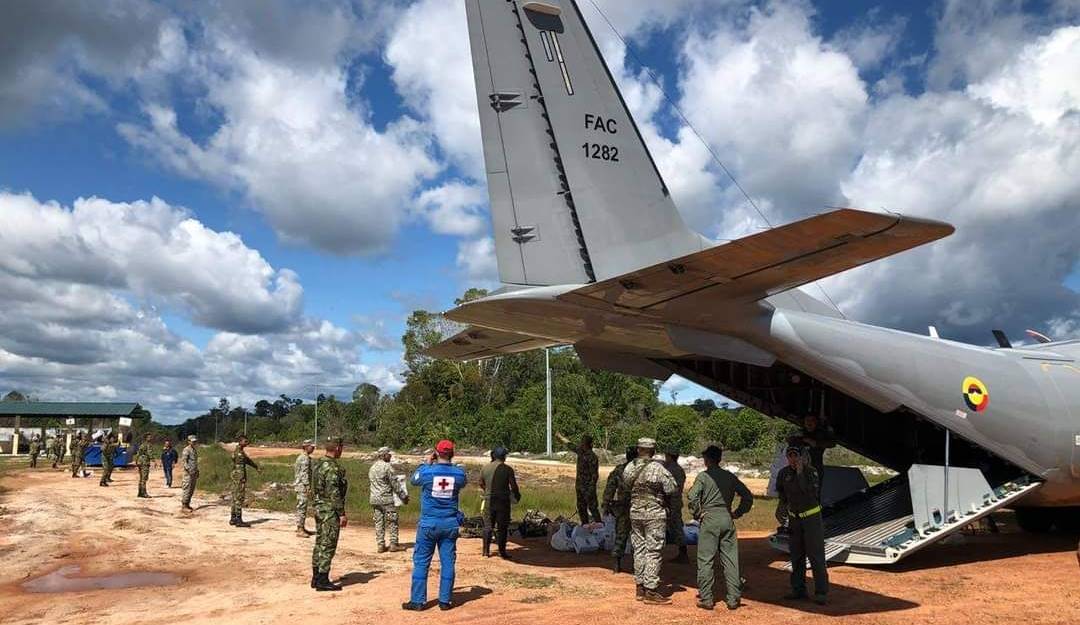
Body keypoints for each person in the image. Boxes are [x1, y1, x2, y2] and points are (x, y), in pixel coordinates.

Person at [403, 439, 467, 611]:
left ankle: (418, 600)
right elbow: (463, 482)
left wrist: (426, 463)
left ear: (436, 452)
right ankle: (445, 601)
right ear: (452, 453)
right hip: (450, 523)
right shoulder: (459, 474)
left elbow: (414, 480)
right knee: (448, 562)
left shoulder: (426, 472)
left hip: (429, 523)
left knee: (422, 562)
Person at [688, 445, 754, 611]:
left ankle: (707, 598)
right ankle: (733, 599)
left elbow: (692, 496)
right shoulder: (730, 476)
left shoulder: (703, 477)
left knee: (705, 560)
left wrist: (697, 513)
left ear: (707, 460)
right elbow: (747, 496)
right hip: (727, 518)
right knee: (731, 561)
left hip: (709, 519)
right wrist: (737, 513)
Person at [621, 437, 678, 605]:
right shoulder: (657, 468)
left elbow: (624, 486)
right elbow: (671, 488)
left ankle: (639, 587)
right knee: (653, 551)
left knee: (638, 549)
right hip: (654, 514)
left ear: (638, 450)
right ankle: (651, 591)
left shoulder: (629, 467)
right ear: (653, 451)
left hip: (635, 513)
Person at [776, 445, 828, 605]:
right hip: (794, 519)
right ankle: (798, 589)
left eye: (796, 456)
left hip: (811, 518)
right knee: (796, 555)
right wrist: (781, 507)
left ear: (803, 458)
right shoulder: (783, 473)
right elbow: (782, 493)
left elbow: (809, 492)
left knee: (815, 555)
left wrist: (799, 472)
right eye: (790, 455)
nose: (793, 459)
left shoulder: (811, 472)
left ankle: (821, 592)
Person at [311, 436, 348, 591]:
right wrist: (341, 513)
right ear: (338, 448)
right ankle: (323, 580)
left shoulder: (318, 464)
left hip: (319, 508)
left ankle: (316, 577)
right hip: (329, 511)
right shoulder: (332, 467)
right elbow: (334, 492)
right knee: (328, 544)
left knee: (320, 542)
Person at [479, 446, 521, 559]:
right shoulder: (508, 469)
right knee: (502, 528)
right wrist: (517, 496)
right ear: (504, 457)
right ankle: (502, 552)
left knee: (488, 526)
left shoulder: (485, 468)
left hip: (488, 500)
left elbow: (481, 483)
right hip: (503, 502)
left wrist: (487, 491)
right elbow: (513, 486)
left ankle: (485, 552)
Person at [602, 446, 636, 573]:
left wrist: (606, 504)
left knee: (621, 535)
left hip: (622, 508)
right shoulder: (641, 470)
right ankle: (635, 566)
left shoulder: (619, 470)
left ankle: (617, 565)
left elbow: (610, 488)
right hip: (637, 508)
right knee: (637, 537)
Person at [370, 446, 409, 552]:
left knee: (378, 521)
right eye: (388, 454)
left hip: (374, 498)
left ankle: (380, 544)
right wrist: (403, 496)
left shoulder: (372, 467)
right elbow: (395, 484)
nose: (390, 456)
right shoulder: (387, 467)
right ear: (383, 455)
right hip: (386, 498)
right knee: (392, 521)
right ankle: (393, 543)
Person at [557, 432, 601, 525]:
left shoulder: (592, 457)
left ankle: (599, 526)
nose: (581, 444)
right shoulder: (581, 451)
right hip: (580, 487)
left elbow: (594, 475)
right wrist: (560, 437)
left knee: (593, 508)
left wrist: (591, 488)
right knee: (581, 508)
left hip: (588, 487)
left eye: (583, 442)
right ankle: (585, 525)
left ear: (587, 444)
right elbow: (570, 444)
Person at [788, 415, 835, 499]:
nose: (809, 423)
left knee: (814, 495)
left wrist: (816, 443)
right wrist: (804, 440)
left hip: (815, 470)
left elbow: (832, 443)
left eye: (812, 420)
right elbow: (789, 440)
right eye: (807, 421)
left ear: (816, 422)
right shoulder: (800, 433)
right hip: (799, 470)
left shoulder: (820, 435)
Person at [663, 447, 689, 564]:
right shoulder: (678, 469)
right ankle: (682, 552)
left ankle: (683, 553)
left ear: (669, 456)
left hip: (671, 502)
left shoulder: (670, 470)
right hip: (674, 501)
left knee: (676, 527)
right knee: (675, 526)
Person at [230, 435, 260, 527]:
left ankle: (233, 518)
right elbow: (244, 462)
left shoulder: (238, 451)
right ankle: (238, 520)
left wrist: (255, 467)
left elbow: (247, 461)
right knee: (239, 497)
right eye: (245, 441)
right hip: (239, 477)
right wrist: (242, 478)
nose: (247, 443)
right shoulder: (239, 453)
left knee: (235, 497)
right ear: (240, 442)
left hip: (236, 477)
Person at [294, 440, 316, 537]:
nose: (313, 448)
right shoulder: (304, 459)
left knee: (302, 506)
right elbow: (304, 475)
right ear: (306, 447)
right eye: (311, 446)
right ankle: (300, 529)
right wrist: (308, 487)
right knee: (302, 507)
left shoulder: (305, 457)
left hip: (301, 485)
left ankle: (301, 527)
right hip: (302, 486)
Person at [179, 435, 199, 514]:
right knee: (187, 489)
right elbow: (184, 461)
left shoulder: (194, 450)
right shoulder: (186, 450)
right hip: (188, 473)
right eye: (192, 441)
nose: (194, 442)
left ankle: (187, 504)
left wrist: (197, 471)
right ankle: (184, 505)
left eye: (195, 441)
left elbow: (194, 462)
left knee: (191, 489)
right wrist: (189, 469)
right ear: (189, 441)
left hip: (193, 472)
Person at [135, 434, 154, 498]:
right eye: (149, 437)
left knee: (141, 478)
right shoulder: (148, 445)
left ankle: (140, 492)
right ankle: (144, 493)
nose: (150, 438)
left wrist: (137, 461)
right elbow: (150, 453)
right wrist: (153, 460)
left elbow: (138, 453)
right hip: (144, 463)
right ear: (146, 438)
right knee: (144, 478)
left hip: (140, 462)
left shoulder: (142, 444)